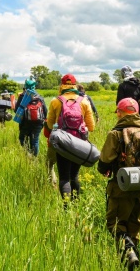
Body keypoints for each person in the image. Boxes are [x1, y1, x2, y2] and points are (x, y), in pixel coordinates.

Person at [97, 97, 140, 270]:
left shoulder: (116, 134)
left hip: (121, 188)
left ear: (120, 113)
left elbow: (103, 162)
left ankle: (128, 256)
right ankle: (133, 263)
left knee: (116, 225)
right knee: (134, 229)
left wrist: (106, 168)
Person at [46, 74, 95, 206]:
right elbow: (91, 126)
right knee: (74, 176)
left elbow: (50, 125)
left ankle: (67, 209)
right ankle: (76, 204)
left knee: (64, 178)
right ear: (74, 85)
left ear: (62, 85)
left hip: (62, 144)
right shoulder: (84, 101)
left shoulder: (56, 101)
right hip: (80, 144)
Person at [14, 79, 47, 157]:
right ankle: (34, 159)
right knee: (35, 141)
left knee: (23, 140)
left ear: (25, 86)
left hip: (24, 123)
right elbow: (45, 111)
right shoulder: (40, 97)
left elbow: (16, 110)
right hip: (38, 123)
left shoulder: (22, 97)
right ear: (34, 87)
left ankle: (26, 156)